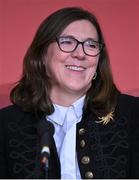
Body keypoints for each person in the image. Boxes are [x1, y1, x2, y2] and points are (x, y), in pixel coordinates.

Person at [0, 6, 139, 179]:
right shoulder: (4, 125)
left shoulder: (133, 114)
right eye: (67, 41)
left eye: (91, 45)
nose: (80, 54)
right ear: (42, 55)